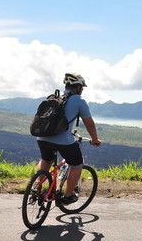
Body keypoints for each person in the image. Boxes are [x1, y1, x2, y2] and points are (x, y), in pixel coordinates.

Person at [35, 73, 101, 204]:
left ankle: (36, 186)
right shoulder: (78, 100)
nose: (82, 90)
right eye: (82, 87)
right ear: (77, 87)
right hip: (63, 141)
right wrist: (95, 139)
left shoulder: (54, 97)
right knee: (77, 164)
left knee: (46, 159)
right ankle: (67, 196)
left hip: (42, 137)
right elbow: (89, 124)